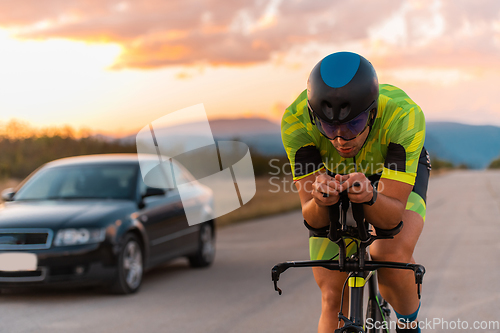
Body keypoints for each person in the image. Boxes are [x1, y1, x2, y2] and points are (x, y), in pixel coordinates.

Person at [281, 51, 430, 333]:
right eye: (328, 127)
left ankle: (408, 325)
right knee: (332, 295)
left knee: (390, 254)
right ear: (314, 118)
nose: (341, 139)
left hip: (390, 173)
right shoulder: (295, 121)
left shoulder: (405, 115)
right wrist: (319, 199)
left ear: (373, 113)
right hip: (336, 180)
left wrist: (371, 197)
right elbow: (314, 219)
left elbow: (391, 217)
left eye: (354, 125)